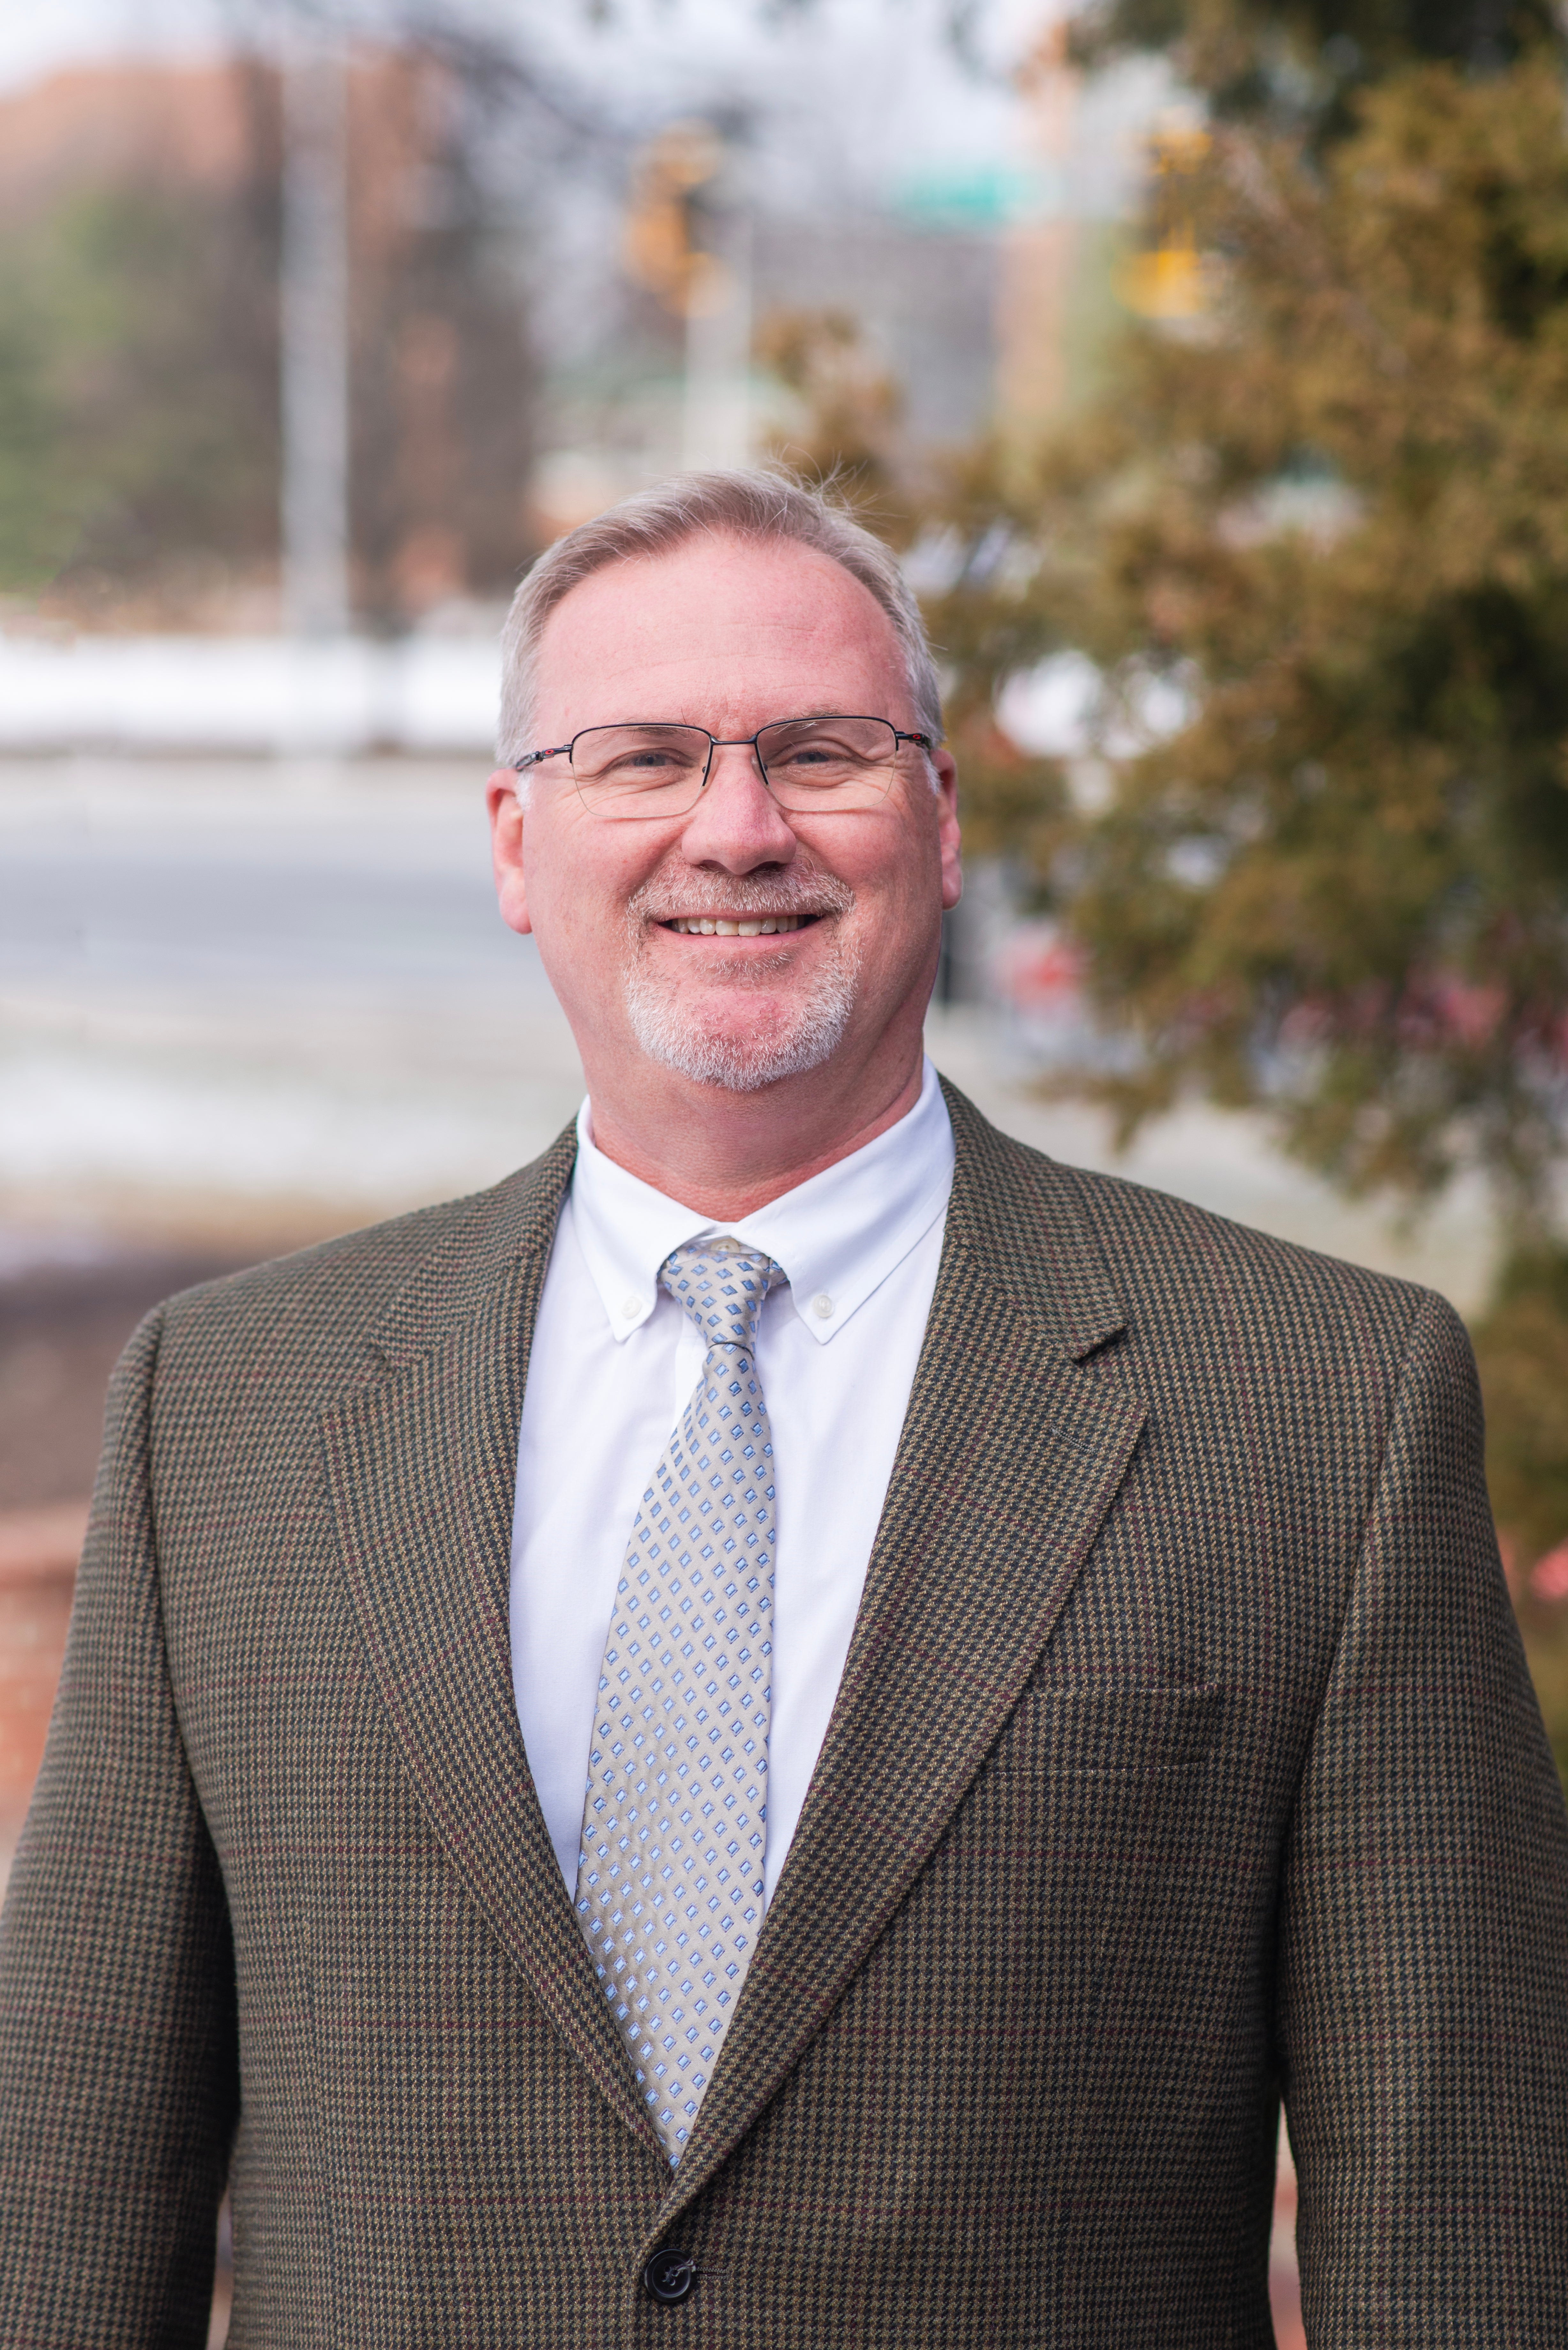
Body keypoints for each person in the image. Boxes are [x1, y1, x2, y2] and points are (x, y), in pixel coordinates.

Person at [0, 469, 1564, 2347]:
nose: (735, 831)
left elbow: (1461, 2228)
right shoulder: (229, 1408)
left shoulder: (1318, 1403)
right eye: (642, 758)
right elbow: (74, 2192)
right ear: (517, 841)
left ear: (944, 819)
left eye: (820, 751)